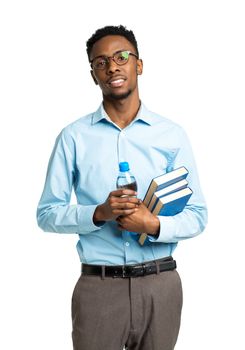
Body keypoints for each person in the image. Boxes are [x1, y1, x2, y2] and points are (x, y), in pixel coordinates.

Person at [37, 25, 207, 350]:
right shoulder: (73, 138)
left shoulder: (171, 135)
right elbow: (47, 213)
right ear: (93, 75)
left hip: (161, 286)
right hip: (99, 288)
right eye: (100, 62)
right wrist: (98, 213)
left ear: (138, 65)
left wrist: (153, 224)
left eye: (121, 57)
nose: (112, 66)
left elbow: (197, 214)